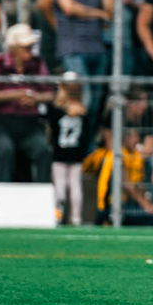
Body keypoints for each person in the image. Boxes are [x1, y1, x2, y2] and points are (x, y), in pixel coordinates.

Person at [36, 0, 114, 116]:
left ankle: (89, 143)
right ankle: (74, 141)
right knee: (82, 99)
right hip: (73, 49)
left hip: (96, 48)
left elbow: (111, 10)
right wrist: (98, 14)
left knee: (95, 103)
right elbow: (67, 8)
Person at [0, 25, 56, 183]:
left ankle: (41, 192)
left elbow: (51, 94)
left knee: (43, 150)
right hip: (1, 124)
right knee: (5, 150)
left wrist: (35, 98)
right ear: (13, 47)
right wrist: (14, 95)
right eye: (25, 46)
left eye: (30, 46)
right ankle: (3, 192)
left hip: (30, 125)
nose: (30, 49)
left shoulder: (37, 63)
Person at [51, 74, 90, 224]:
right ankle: (76, 217)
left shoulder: (57, 109)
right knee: (75, 186)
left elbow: (53, 130)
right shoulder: (82, 110)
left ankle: (58, 216)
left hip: (61, 153)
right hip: (75, 154)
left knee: (61, 187)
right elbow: (86, 135)